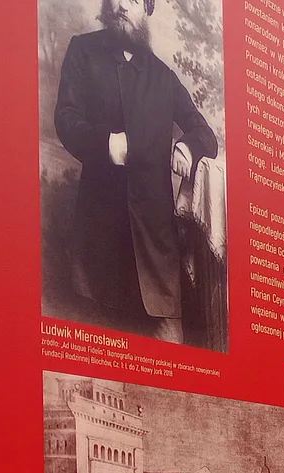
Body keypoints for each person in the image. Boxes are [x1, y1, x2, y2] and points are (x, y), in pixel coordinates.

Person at [53, 0, 219, 344]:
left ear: (148, 8)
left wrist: (187, 146)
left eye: (132, 0)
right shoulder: (83, 51)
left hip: (155, 249)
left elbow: (204, 133)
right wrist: (107, 145)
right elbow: (66, 120)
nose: (121, 5)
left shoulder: (163, 76)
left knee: (169, 351)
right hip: (100, 243)